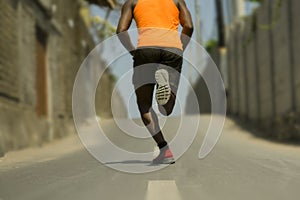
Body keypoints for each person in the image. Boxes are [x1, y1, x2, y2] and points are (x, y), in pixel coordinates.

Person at [116, 0, 193, 164]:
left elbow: (121, 30)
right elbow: (189, 26)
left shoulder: (132, 2)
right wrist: (179, 48)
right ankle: (165, 96)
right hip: (172, 50)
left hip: (145, 50)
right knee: (166, 109)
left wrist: (133, 52)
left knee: (144, 105)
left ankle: (164, 149)